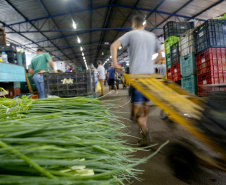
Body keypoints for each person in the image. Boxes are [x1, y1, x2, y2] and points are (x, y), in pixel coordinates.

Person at [110, 15, 163, 146]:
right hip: (149, 77)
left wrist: (115, 64)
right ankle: (142, 127)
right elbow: (161, 56)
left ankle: (145, 132)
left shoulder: (131, 34)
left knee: (137, 106)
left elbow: (113, 46)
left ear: (133, 25)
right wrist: (151, 63)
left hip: (137, 77)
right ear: (144, 25)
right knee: (145, 104)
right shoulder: (151, 36)